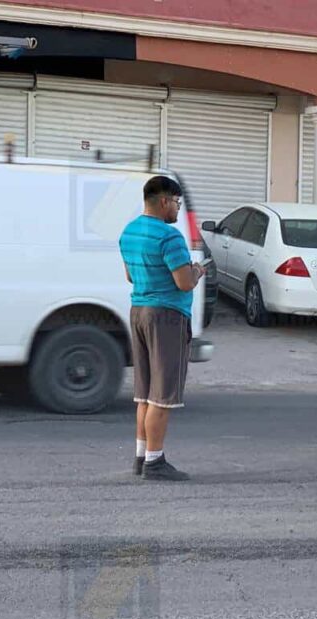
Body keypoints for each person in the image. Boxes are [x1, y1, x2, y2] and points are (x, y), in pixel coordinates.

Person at [120, 176, 203, 481]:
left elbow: (130, 276)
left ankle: (142, 457)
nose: (178, 210)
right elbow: (183, 282)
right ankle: (155, 462)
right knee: (162, 395)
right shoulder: (170, 237)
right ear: (165, 200)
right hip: (166, 317)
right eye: (177, 203)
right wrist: (196, 271)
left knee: (144, 394)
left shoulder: (128, 232)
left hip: (139, 312)